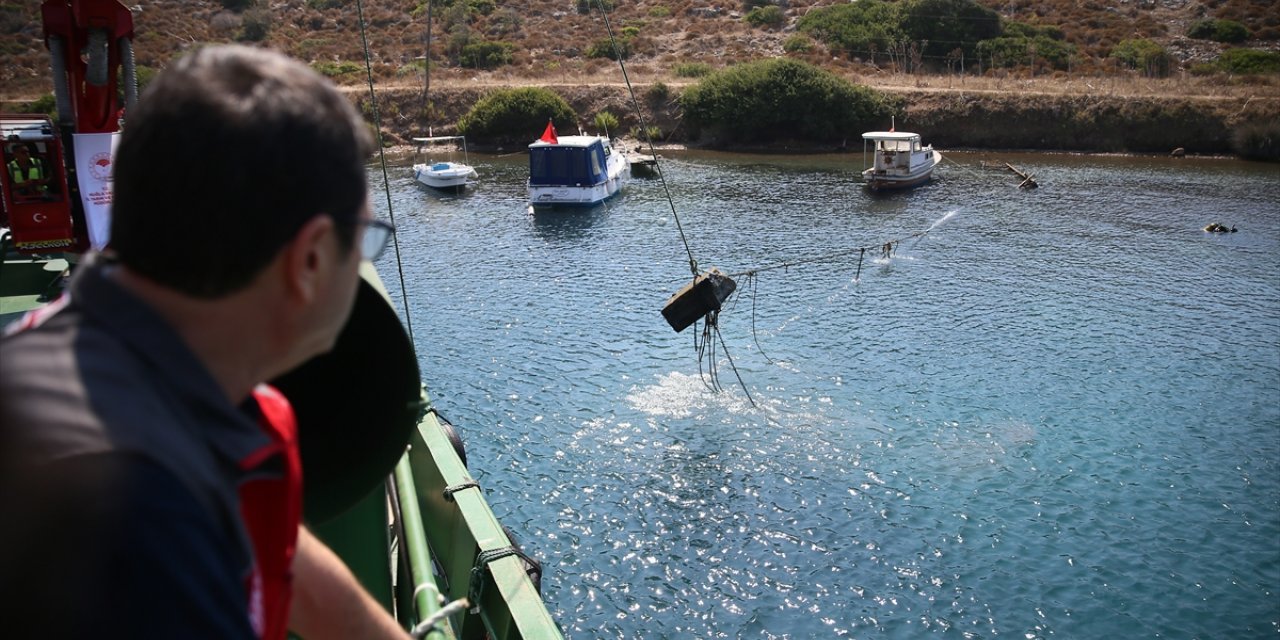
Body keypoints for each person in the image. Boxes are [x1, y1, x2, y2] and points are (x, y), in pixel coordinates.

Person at [0, 45, 407, 639]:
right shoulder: (137, 517)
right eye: (365, 239)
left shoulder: (107, 368)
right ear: (312, 259)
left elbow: (297, 575)